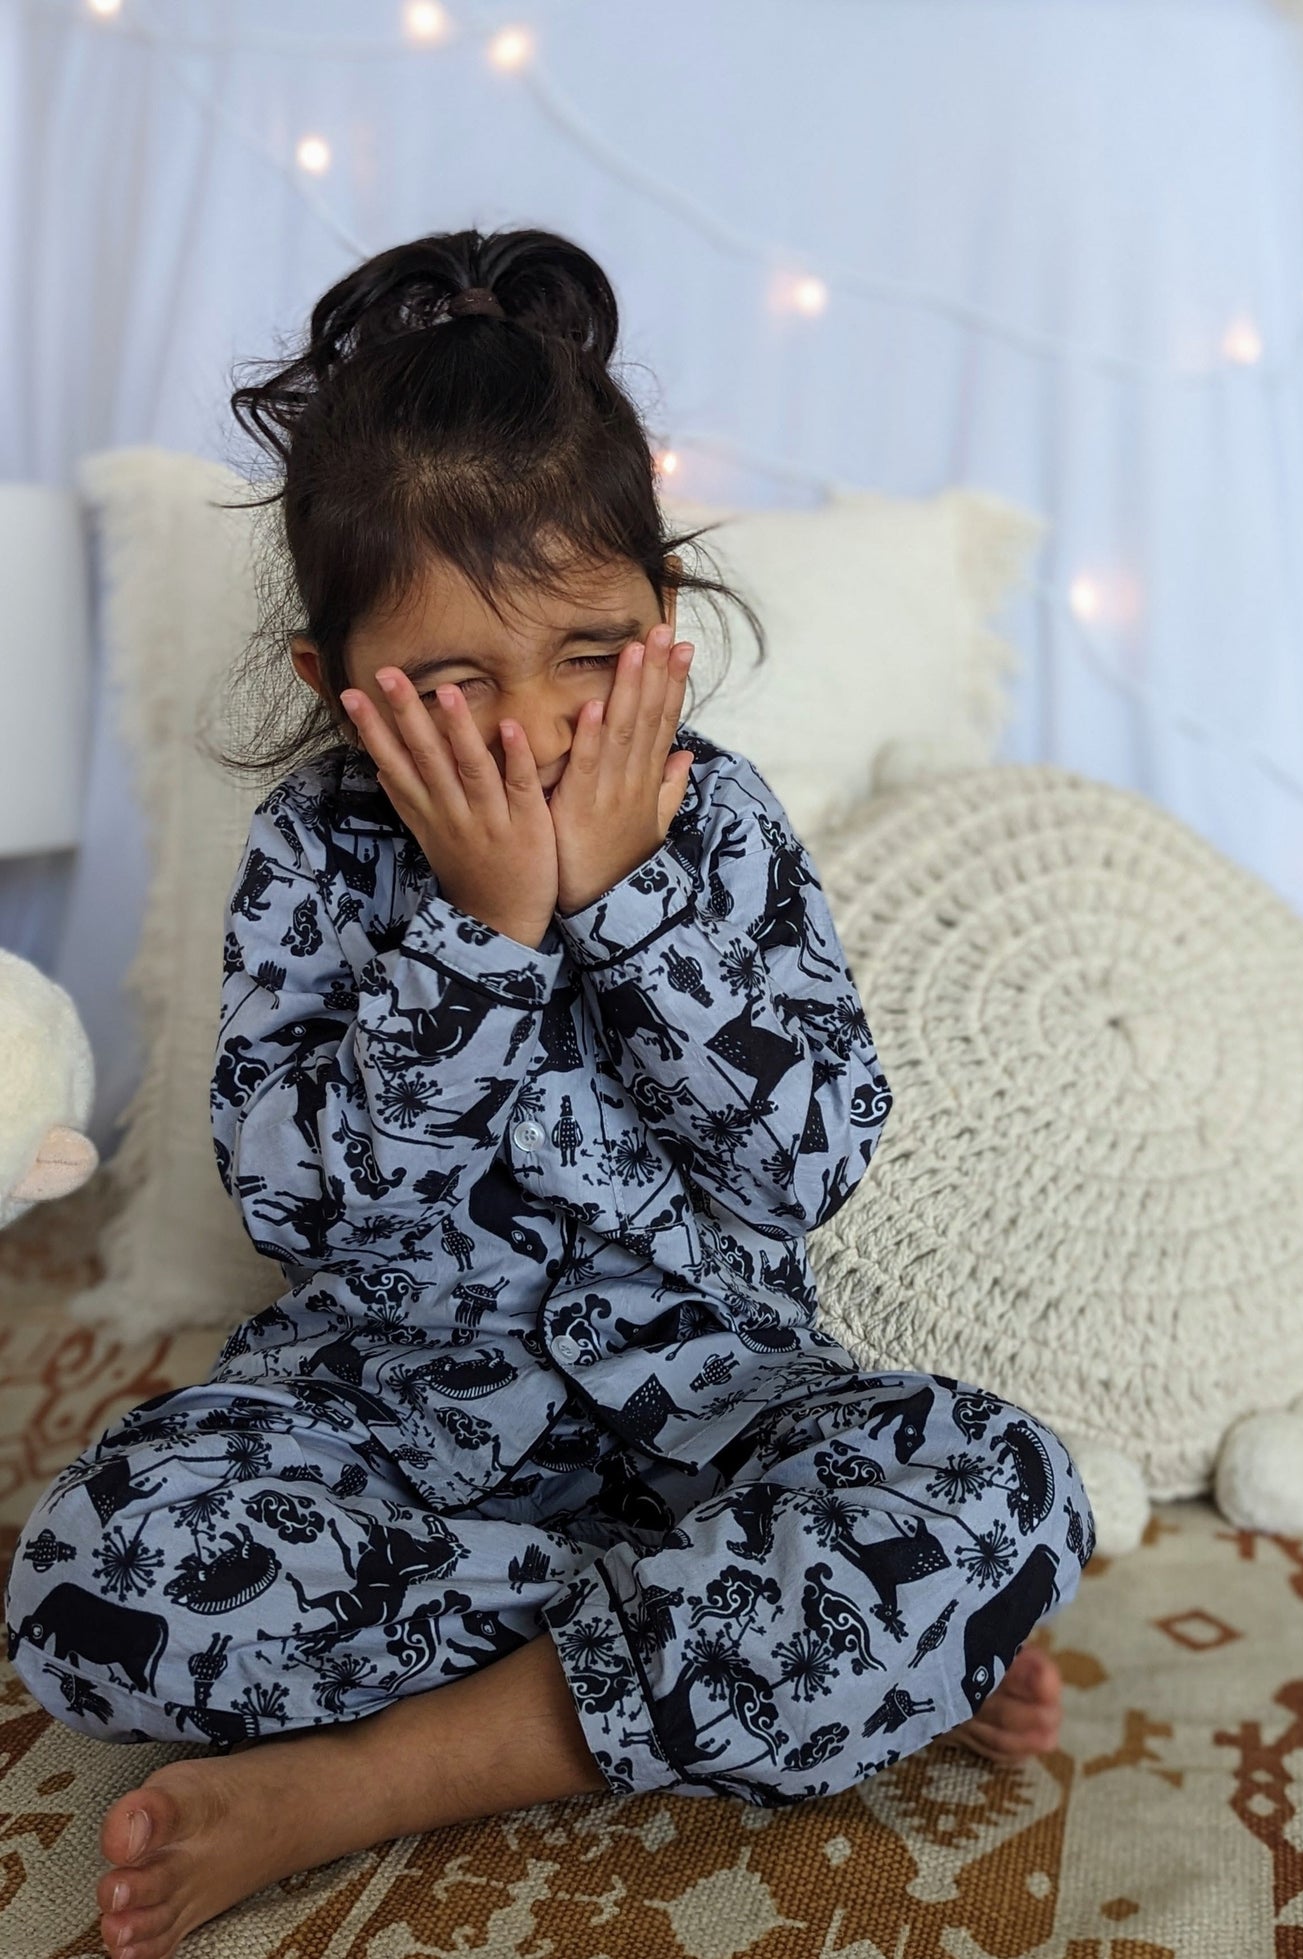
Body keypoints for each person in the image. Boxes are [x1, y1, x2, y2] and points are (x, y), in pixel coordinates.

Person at [5, 226, 1095, 1959]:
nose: (531, 730)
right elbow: (304, 1207)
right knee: (90, 1587)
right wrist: (484, 938)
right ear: (335, 688)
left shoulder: (721, 826)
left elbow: (809, 1162)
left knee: (1008, 1489)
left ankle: (377, 1774)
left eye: (590, 656)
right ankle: (787, 1654)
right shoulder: (315, 854)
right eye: (452, 684)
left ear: (667, 627)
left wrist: (630, 905)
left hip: (721, 1419)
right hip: (391, 1431)